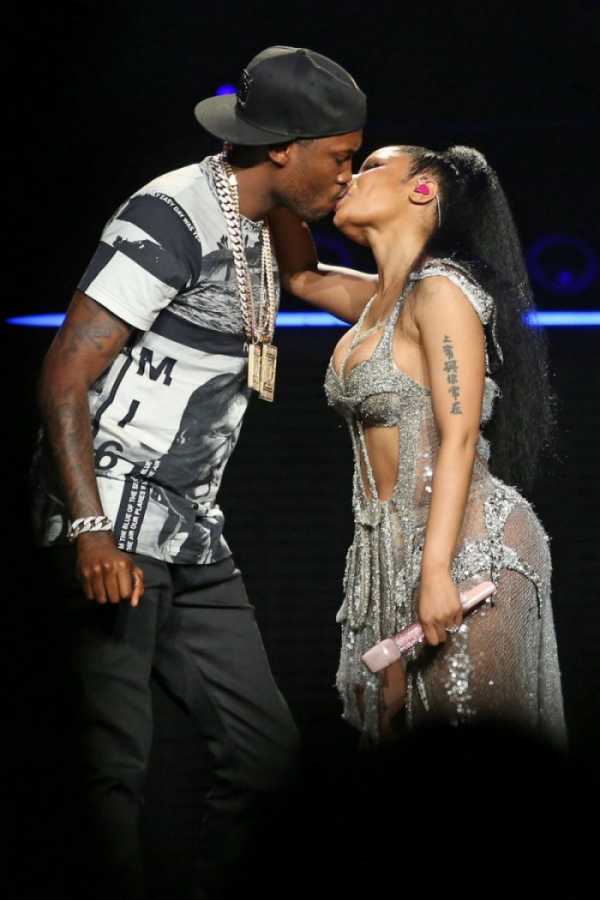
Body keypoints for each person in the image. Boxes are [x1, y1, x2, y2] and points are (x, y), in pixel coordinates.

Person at [31, 46, 373, 900]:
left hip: (190, 526)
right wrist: (89, 530)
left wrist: (434, 294)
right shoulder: (171, 215)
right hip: (112, 514)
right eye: (340, 157)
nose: (348, 174)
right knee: (112, 764)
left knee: (266, 759)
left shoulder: (269, 216)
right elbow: (65, 373)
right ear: (283, 147)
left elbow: (307, 278)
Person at [270, 144, 568, 747]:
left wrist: (435, 572)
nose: (351, 177)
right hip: (392, 554)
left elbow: (459, 436)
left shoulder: (441, 292)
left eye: (372, 166)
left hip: (467, 551)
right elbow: (301, 276)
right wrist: (282, 172)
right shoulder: (379, 303)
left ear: (423, 190)